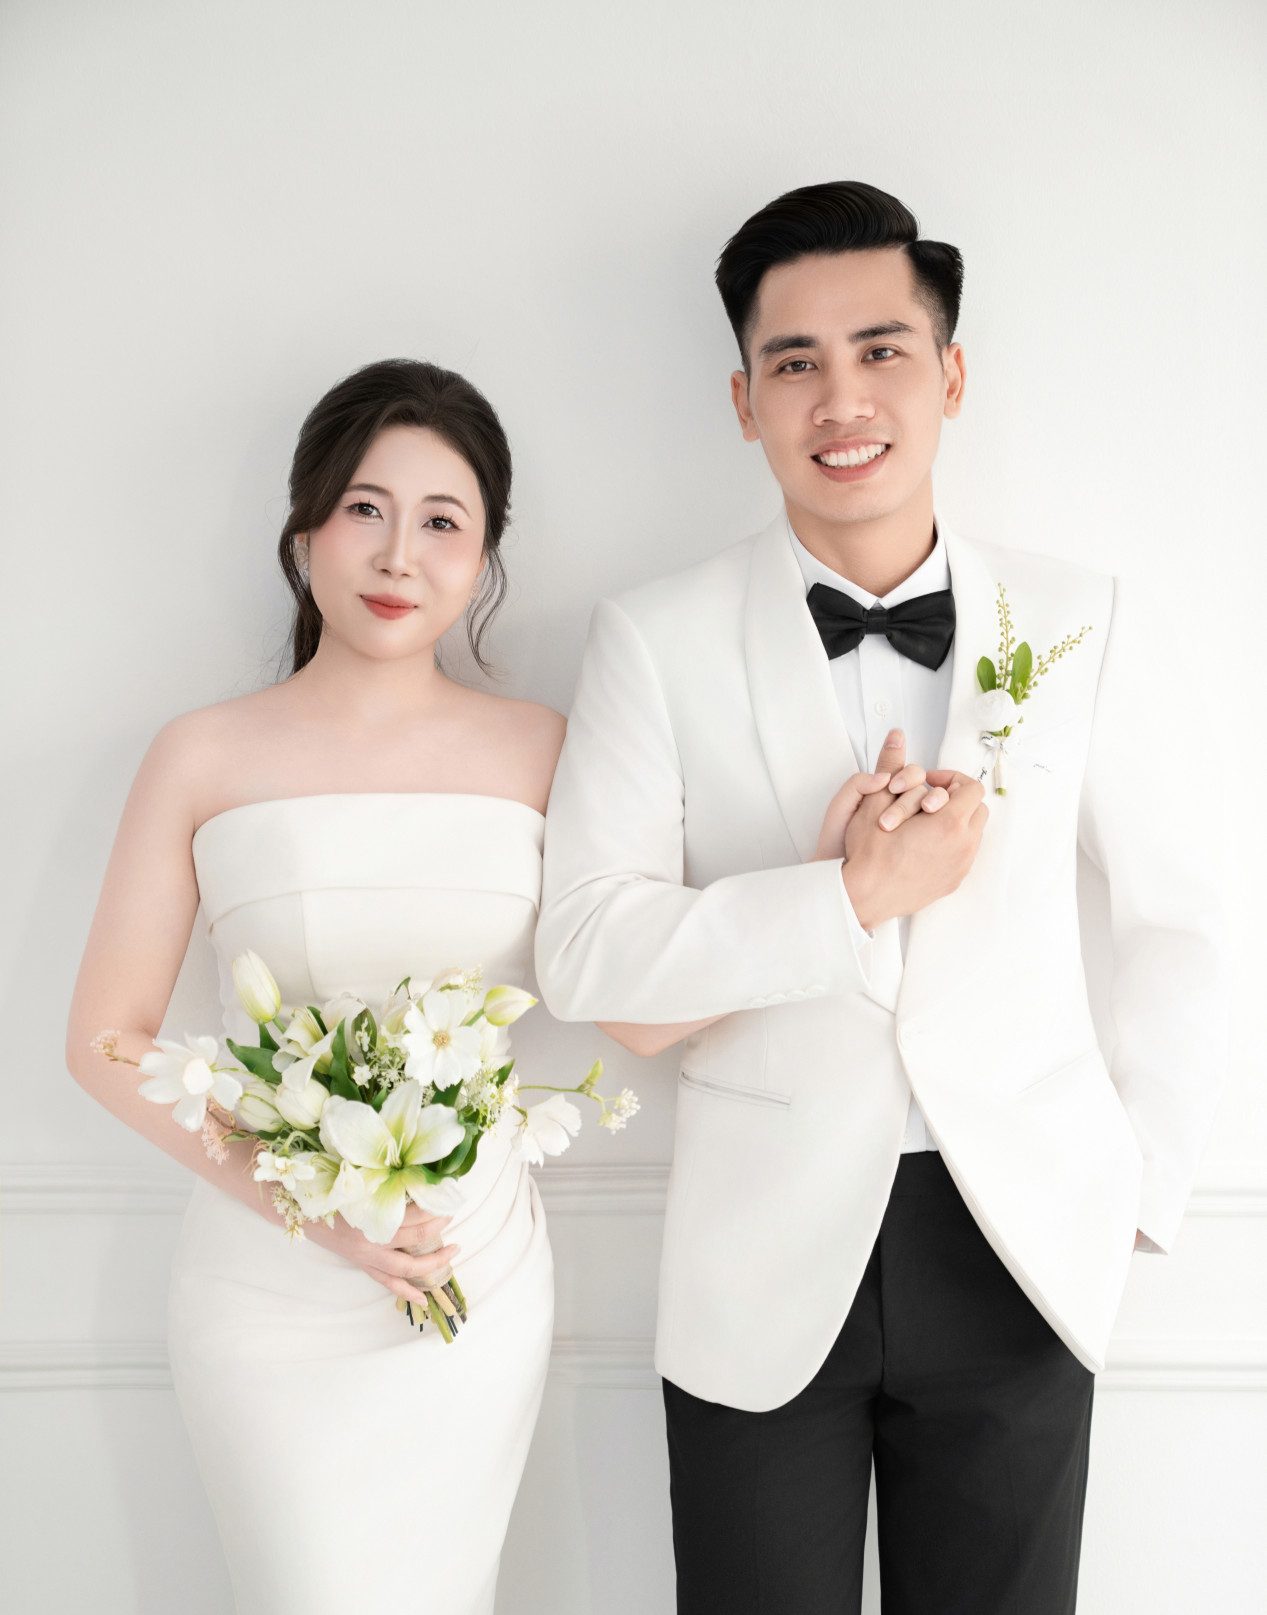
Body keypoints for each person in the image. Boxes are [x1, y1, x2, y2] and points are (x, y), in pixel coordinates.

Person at [534, 181, 1226, 1613]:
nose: (840, 397)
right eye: (793, 361)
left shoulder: (1078, 617)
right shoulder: (650, 636)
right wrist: (837, 896)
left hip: (1018, 1232)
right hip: (757, 1256)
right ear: (743, 401)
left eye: (880, 349)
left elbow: (1182, 920)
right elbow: (588, 949)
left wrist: (1138, 1181)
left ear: (949, 374)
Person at [65, 358, 564, 1614]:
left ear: (485, 557)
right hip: (266, 1287)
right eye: (363, 509)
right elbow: (106, 1038)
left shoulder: (547, 750)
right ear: (304, 532)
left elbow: (643, 964)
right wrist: (317, 1212)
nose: (398, 554)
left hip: (471, 1270)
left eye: (442, 521)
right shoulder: (202, 752)